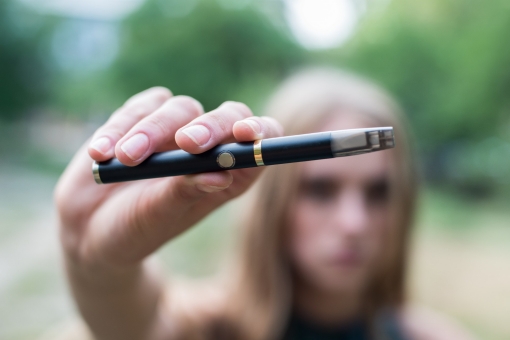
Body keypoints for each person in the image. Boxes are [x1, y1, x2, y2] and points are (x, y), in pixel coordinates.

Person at [54, 68, 474, 340]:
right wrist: (98, 266)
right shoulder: (205, 328)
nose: (354, 223)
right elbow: (127, 320)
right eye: (321, 190)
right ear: (274, 200)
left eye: (378, 192)